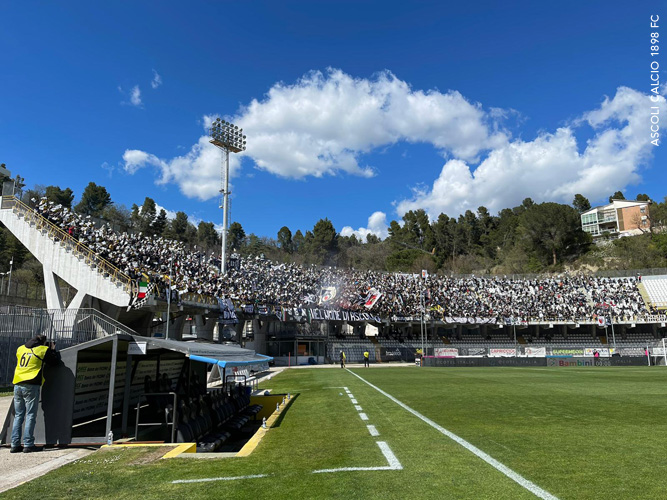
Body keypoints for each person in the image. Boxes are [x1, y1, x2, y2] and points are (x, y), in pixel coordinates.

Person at [11, 335, 60, 453]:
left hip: (17, 383)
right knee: (30, 415)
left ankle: (15, 444)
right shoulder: (42, 350)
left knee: (18, 415)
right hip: (31, 384)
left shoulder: (20, 348)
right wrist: (52, 349)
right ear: (43, 342)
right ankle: (28, 444)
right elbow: (54, 361)